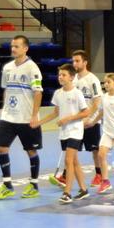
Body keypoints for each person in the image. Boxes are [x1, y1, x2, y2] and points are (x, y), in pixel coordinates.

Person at [0, 35, 43, 200]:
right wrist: (4, 108)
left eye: (16, 46)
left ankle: (34, 184)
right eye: (12, 46)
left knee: (31, 151)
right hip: (8, 117)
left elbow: (38, 93)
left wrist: (34, 115)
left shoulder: (32, 68)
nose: (13, 49)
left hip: (26, 118)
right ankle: (7, 185)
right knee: (2, 148)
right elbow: (6, 90)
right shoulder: (7, 68)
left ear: (25, 48)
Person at [33, 64, 90, 204]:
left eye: (63, 75)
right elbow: (55, 113)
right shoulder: (58, 94)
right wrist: (39, 123)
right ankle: (84, 190)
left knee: (68, 161)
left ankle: (67, 193)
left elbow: (86, 112)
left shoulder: (77, 93)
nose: (60, 77)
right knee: (74, 162)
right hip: (63, 132)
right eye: (59, 75)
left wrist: (68, 119)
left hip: (75, 131)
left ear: (71, 77)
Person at [51, 50, 102, 187]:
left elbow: (97, 102)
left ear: (85, 62)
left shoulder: (92, 80)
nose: (74, 63)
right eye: (73, 61)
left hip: (89, 121)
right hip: (75, 122)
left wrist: (89, 119)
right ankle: (65, 176)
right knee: (72, 150)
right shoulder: (72, 79)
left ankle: (99, 174)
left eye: (77, 61)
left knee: (94, 149)